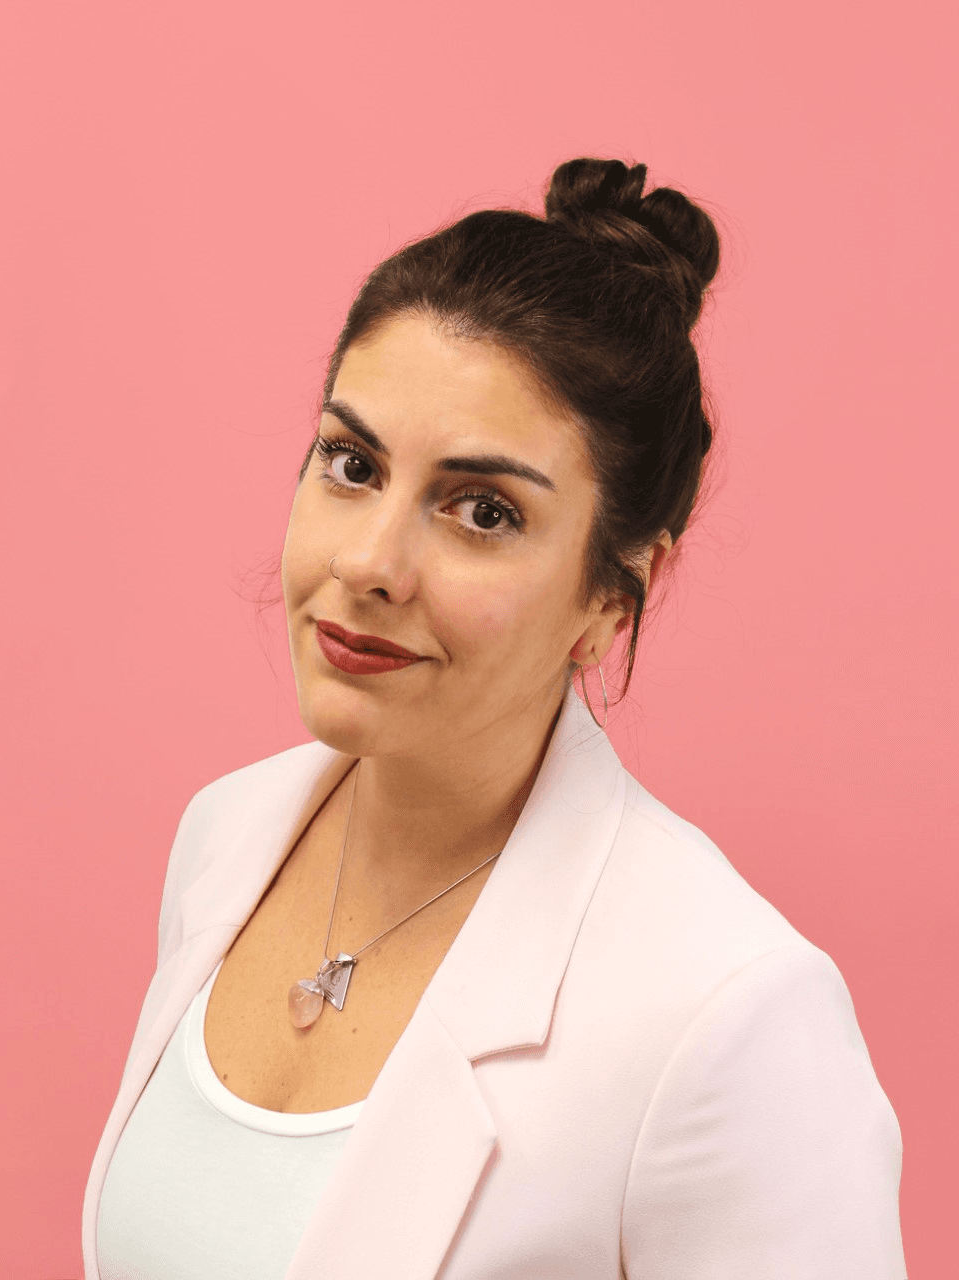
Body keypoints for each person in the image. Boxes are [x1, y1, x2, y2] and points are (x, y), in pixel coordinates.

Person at [83, 156, 906, 1279]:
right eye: (351, 461)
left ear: (613, 594)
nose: (369, 562)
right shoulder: (225, 837)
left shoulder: (726, 1014)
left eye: (482, 511)